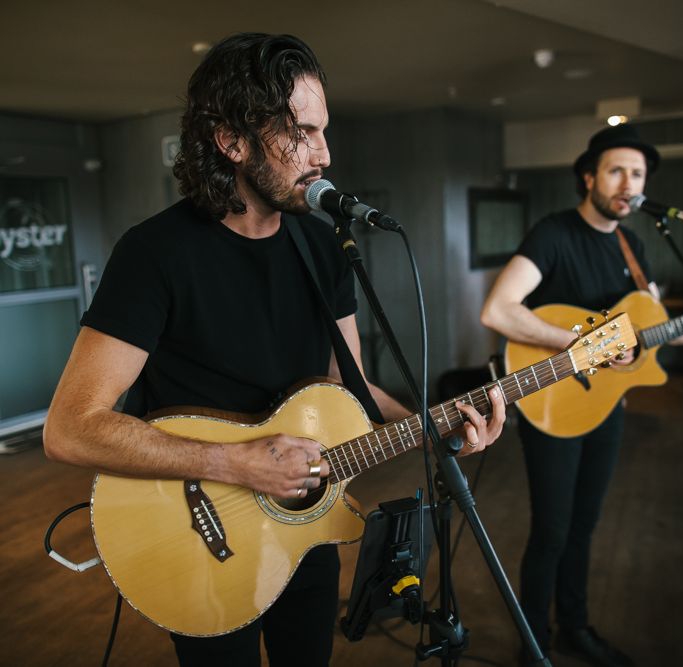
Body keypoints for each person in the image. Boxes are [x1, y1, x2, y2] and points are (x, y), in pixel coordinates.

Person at [43, 33, 506, 667]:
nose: (324, 154)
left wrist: (437, 430)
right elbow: (70, 429)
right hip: (199, 531)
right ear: (231, 141)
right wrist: (239, 464)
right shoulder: (155, 254)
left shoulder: (322, 249)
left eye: (324, 132)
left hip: (303, 518)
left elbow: (353, 390)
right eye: (302, 133)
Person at [480, 124, 683, 667]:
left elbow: (653, 328)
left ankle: (576, 626)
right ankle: (534, 643)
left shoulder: (632, 246)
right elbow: (498, 310)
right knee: (552, 530)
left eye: (637, 174)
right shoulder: (553, 234)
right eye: (617, 170)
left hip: (605, 405)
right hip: (552, 403)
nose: (628, 183)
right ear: (589, 177)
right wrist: (584, 344)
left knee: (586, 525)